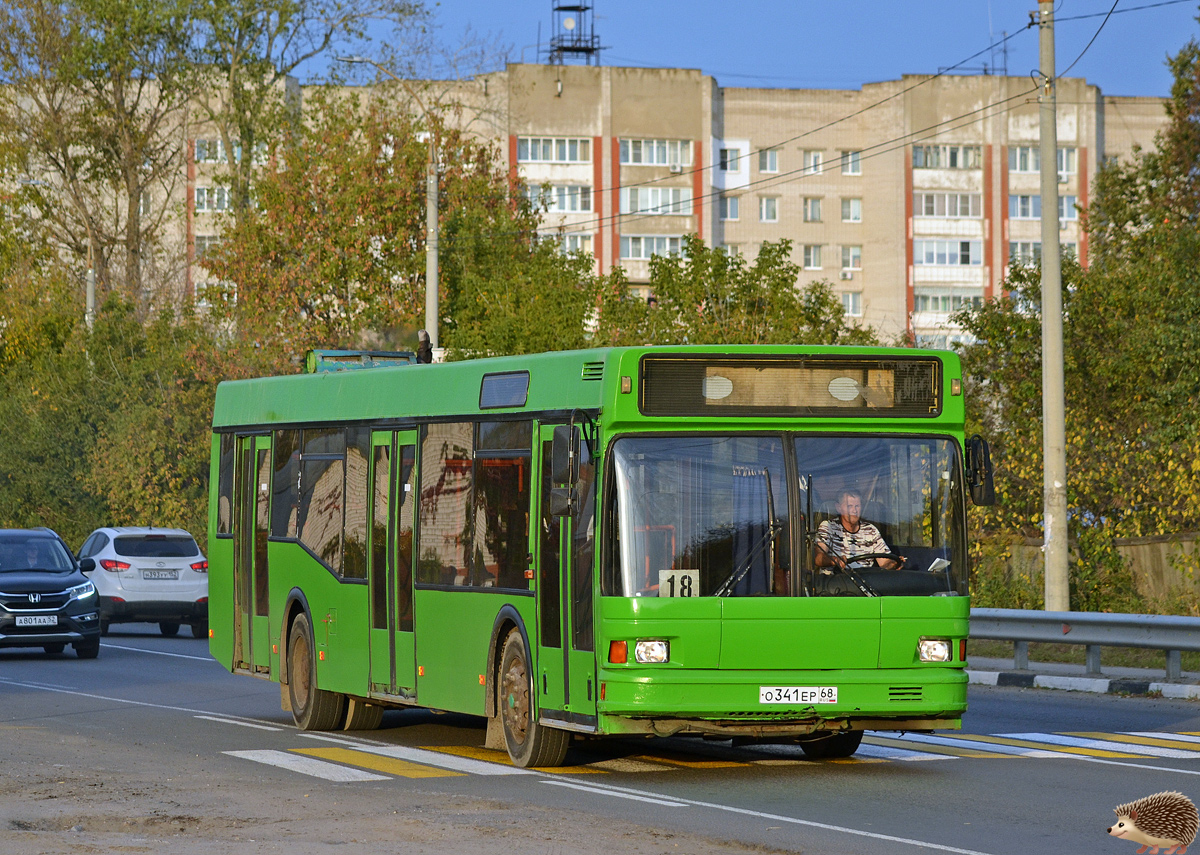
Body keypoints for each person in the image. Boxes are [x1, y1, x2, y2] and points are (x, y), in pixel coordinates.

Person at [814, 489, 904, 572]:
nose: (854, 510)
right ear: (839, 508)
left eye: (857, 506)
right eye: (850, 506)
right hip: (837, 584)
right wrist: (835, 560)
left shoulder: (870, 530)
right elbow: (819, 558)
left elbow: (884, 562)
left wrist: (893, 564)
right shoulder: (828, 527)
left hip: (865, 583)